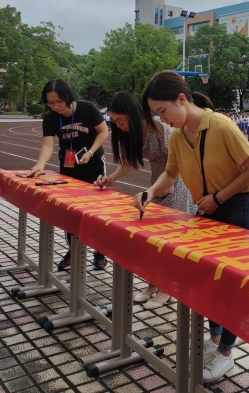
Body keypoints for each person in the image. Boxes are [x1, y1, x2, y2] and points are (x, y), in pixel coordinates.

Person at [134, 70, 249, 384]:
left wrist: (218, 198)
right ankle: (216, 340)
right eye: (157, 114)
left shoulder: (221, 125)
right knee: (208, 279)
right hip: (204, 208)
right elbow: (170, 173)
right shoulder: (177, 136)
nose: (163, 119)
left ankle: (227, 352)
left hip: (234, 206)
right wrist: (150, 192)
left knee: (231, 281)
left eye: (163, 111)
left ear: (182, 99)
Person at [94, 91, 195, 309]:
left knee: (170, 241)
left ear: (133, 114)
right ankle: (153, 284)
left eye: (121, 120)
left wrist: (160, 189)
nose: (119, 125)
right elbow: (127, 164)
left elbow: (177, 165)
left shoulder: (160, 130)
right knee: (155, 240)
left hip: (176, 184)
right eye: (115, 121)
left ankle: (168, 289)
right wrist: (110, 179)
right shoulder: (130, 134)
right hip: (156, 186)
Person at [29, 79, 110, 271]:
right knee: (70, 211)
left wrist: (91, 152)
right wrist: (41, 163)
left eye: (58, 102)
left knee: (96, 210)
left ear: (67, 97)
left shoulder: (87, 109)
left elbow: (103, 132)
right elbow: (47, 144)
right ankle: (74, 250)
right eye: (50, 103)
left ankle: (100, 251)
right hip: (68, 167)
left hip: (93, 165)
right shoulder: (50, 118)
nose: (55, 106)